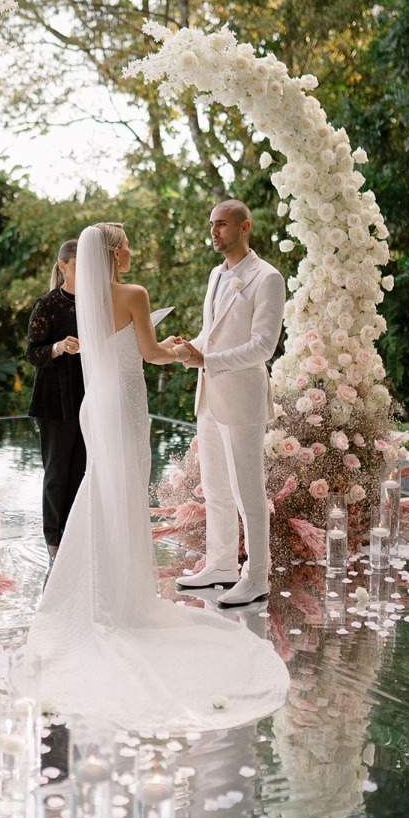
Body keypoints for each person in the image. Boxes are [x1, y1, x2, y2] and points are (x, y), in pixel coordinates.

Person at [22, 222, 289, 735]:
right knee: (123, 495)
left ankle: (97, 592)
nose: (131, 252)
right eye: (127, 245)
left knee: (101, 491)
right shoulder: (133, 293)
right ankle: (122, 600)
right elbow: (148, 353)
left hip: (92, 405)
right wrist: (181, 349)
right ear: (116, 253)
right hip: (123, 403)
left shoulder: (84, 299)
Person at [174, 199, 286, 607]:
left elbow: (263, 347)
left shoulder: (267, 278)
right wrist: (189, 350)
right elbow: (212, 334)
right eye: (210, 225)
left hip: (242, 399)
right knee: (216, 489)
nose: (214, 232)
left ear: (245, 227)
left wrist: (208, 359)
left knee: (247, 491)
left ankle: (257, 576)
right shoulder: (215, 276)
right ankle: (221, 565)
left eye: (222, 224)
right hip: (209, 396)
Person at [25, 239, 85, 567]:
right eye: (77, 264)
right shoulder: (46, 304)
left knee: (80, 471)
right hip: (53, 399)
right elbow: (33, 351)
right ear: (62, 267)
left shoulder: (95, 303)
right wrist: (59, 347)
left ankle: (74, 538)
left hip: (86, 396)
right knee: (56, 473)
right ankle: (53, 545)